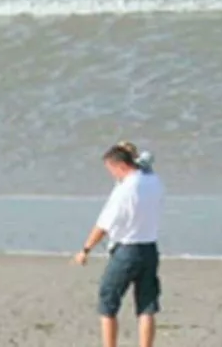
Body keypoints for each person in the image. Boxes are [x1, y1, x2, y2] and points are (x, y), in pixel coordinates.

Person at [73, 141, 164, 347]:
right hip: (149, 248)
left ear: (121, 166)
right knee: (146, 305)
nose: (113, 175)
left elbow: (103, 225)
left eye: (112, 170)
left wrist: (85, 249)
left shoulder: (125, 191)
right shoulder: (154, 181)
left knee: (108, 302)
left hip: (127, 250)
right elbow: (144, 164)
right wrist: (130, 152)